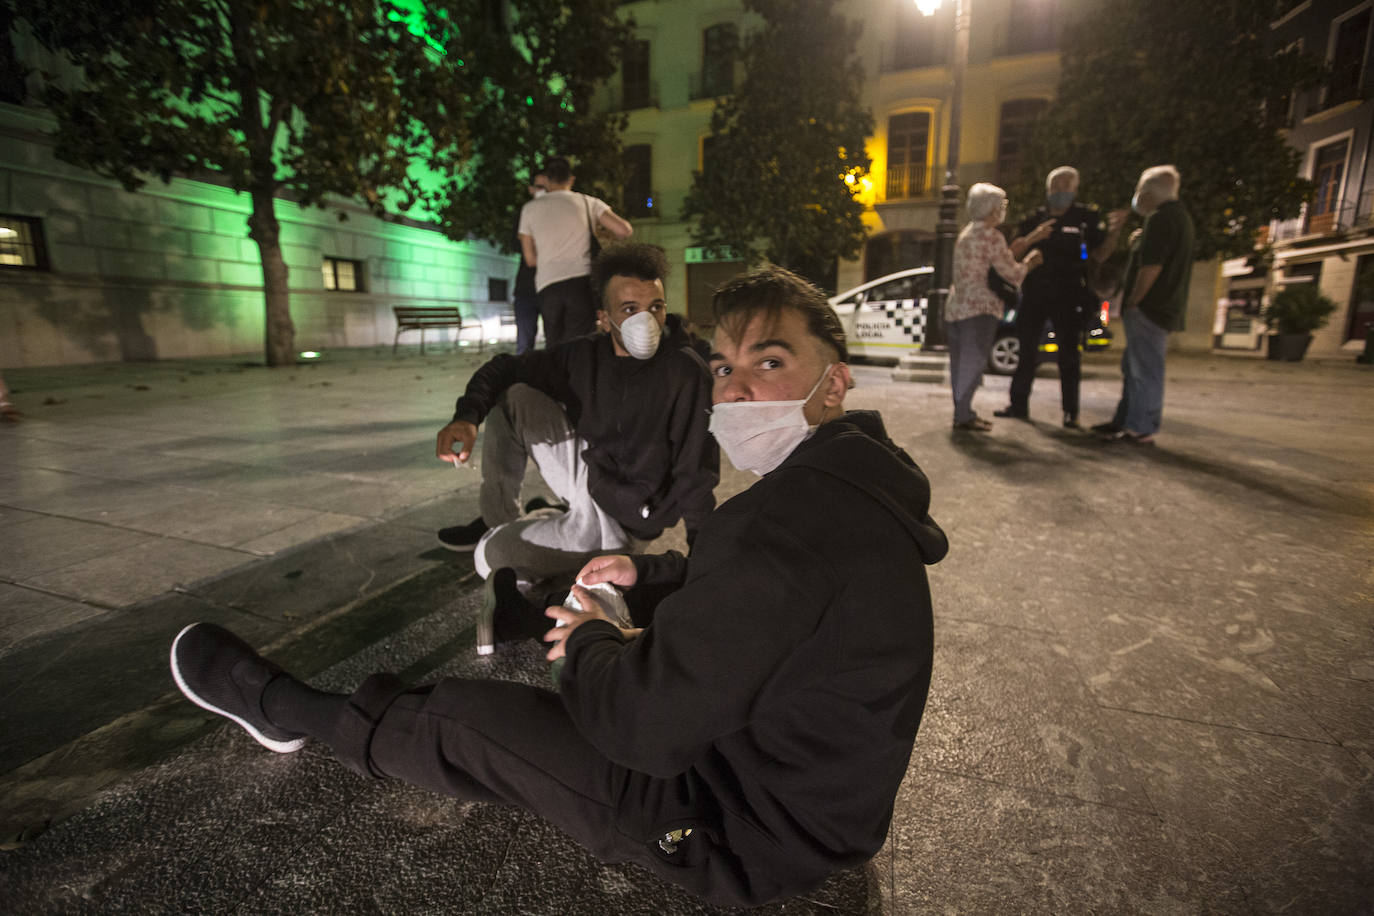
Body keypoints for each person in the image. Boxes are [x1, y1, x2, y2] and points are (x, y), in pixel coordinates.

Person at [168, 265, 947, 907]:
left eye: (769, 362)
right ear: (608, 318)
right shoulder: (848, 491)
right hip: (811, 793)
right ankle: (523, 598)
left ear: (835, 382)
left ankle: (283, 709)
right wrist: (646, 579)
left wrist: (592, 645)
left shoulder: (784, 523)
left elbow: (639, 726)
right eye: (725, 366)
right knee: (555, 570)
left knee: (466, 723)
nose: (736, 391)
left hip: (744, 829)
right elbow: (758, 599)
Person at [432, 242, 718, 605]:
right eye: (629, 309)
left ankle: (557, 568)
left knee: (488, 556)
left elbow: (696, 471)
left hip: (620, 520)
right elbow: (504, 367)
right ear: (604, 317)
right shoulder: (585, 354)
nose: (645, 321)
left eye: (655, 307)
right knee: (515, 397)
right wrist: (467, 417)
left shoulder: (684, 371)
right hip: (590, 477)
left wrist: (703, 565)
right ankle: (502, 520)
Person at [994, 166, 1127, 428]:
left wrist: (1114, 232)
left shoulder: (1085, 219)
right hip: (1034, 294)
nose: (1060, 191)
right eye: (1055, 186)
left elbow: (1099, 255)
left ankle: (1070, 412)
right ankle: (1018, 404)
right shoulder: (1034, 219)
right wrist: (1034, 238)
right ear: (1048, 189)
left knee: (1069, 355)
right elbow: (1014, 254)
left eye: (1066, 186)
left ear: (1075, 189)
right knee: (1027, 352)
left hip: (1070, 295)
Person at [1093, 165, 1195, 445]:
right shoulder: (1179, 218)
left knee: (1144, 371)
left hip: (1150, 309)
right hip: (1160, 308)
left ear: (1149, 193)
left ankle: (1140, 427)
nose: (1136, 196)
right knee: (1134, 368)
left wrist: (1134, 302)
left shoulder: (1161, 220)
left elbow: (1151, 268)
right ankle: (1126, 420)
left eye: (1139, 190)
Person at [945, 183, 1046, 432]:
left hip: (956, 307)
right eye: (1000, 205)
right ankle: (964, 415)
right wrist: (1030, 263)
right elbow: (1011, 272)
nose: (1002, 210)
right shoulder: (992, 236)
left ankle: (962, 412)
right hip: (980, 309)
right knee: (974, 362)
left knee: (961, 364)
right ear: (991, 208)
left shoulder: (967, 233)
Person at [518, 156, 633, 346]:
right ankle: (579, 375)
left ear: (546, 180)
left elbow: (530, 259)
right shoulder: (588, 202)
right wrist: (599, 231)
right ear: (571, 179)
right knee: (581, 344)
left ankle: (557, 375)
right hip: (580, 284)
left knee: (554, 346)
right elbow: (624, 230)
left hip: (548, 285)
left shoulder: (530, 209)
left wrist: (550, 255)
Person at [512, 170, 548, 354]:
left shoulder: (557, 215)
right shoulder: (524, 213)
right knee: (525, 346)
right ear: (531, 189)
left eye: (547, 187)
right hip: (526, 289)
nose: (544, 191)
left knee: (556, 344)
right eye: (540, 187)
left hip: (551, 287)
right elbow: (516, 246)